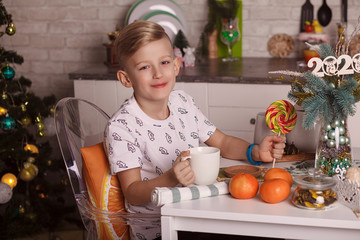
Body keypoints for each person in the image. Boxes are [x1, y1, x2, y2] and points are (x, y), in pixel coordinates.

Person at [104, 20, 286, 240]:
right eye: (144, 67)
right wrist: (170, 178)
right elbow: (132, 192)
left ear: (176, 66)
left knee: (265, 225)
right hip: (162, 230)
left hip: (198, 210)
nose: (158, 73)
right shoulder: (122, 127)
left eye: (163, 62)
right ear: (125, 78)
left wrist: (255, 151)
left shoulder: (183, 103)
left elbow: (222, 142)